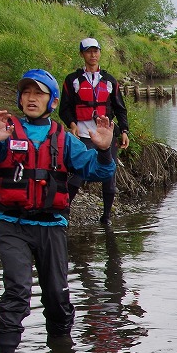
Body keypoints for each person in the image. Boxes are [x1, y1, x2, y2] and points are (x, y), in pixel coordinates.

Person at [0, 69, 116, 353]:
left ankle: (61, 352)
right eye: (27, 93)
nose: (32, 98)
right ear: (20, 98)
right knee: (17, 290)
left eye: (39, 93)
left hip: (51, 226)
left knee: (57, 295)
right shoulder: (5, 132)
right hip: (12, 225)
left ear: (53, 101)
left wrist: (104, 149)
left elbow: (98, 171)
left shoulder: (63, 139)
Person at [58, 38, 130, 226]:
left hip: (105, 134)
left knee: (109, 174)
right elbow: (64, 108)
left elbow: (120, 108)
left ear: (99, 53)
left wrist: (124, 130)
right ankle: (64, 212)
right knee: (77, 175)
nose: (93, 55)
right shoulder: (72, 80)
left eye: (96, 51)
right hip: (82, 134)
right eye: (88, 51)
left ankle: (106, 216)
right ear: (82, 54)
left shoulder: (109, 81)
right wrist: (72, 124)